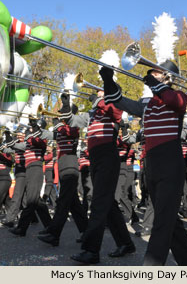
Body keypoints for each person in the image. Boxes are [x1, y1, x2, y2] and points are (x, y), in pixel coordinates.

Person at [102, 60, 187, 266]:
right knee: (170, 223)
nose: (153, 76)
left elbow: (177, 102)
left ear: (169, 77)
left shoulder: (178, 96)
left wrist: (157, 85)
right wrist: (108, 80)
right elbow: (119, 101)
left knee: (161, 223)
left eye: (158, 73)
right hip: (151, 163)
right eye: (152, 73)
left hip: (170, 162)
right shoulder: (147, 103)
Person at [70, 86, 135, 265]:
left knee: (99, 202)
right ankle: (125, 243)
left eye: (102, 92)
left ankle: (91, 250)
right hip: (96, 157)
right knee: (108, 203)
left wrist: (99, 99)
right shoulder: (93, 112)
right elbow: (73, 121)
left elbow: (115, 110)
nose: (99, 94)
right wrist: (67, 105)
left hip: (107, 154)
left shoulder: (112, 106)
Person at [38, 94, 88, 247]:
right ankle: (87, 232)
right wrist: (38, 126)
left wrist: (58, 121)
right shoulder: (62, 128)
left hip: (70, 165)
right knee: (74, 204)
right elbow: (50, 134)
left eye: (63, 112)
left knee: (63, 202)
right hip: (63, 166)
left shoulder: (73, 127)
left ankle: (54, 233)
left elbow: (66, 130)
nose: (59, 114)